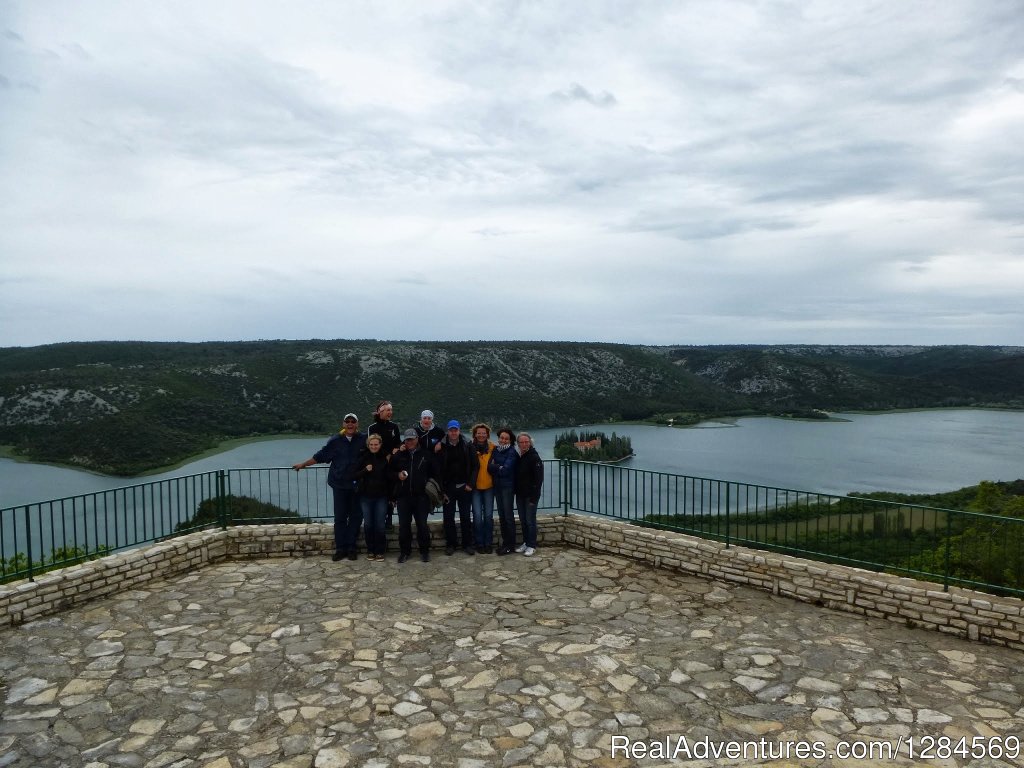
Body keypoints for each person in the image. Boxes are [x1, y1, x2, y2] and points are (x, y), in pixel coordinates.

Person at [292, 413, 366, 561]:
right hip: (339, 485)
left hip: (357, 485)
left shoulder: (364, 439)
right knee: (340, 518)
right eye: (347, 421)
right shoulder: (335, 441)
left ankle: (351, 548)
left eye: (353, 421)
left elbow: (377, 449)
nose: (350, 424)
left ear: (357, 424)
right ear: (343, 424)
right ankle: (340, 549)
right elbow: (320, 456)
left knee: (356, 518)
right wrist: (303, 464)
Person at [389, 428, 436, 563]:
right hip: (403, 497)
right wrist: (397, 475)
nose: (410, 442)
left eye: (412, 439)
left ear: (417, 439)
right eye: (407, 439)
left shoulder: (426, 455)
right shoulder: (399, 455)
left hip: (422, 496)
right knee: (404, 525)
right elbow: (389, 473)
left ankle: (425, 552)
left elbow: (434, 473)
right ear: (405, 440)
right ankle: (405, 552)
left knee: (422, 525)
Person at [437, 419, 475, 555]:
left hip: (464, 487)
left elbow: (475, 466)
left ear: (459, 431)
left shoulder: (467, 444)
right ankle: (451, 544)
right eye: (451, 430)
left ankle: (467, 544)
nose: (453, 432)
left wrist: (470, 484)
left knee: (465, 517)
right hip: (448, 488)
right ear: (448, 431)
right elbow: (438, 470)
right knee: (448, 517)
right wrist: (441, 490)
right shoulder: (441, 446)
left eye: (456, 430)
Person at [353, 433, 390, 561]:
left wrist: (391, 497)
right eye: (371, 444)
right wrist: (365, 470)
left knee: (380, 524)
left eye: (376, 444)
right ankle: (370, 550)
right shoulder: (363, 457)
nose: (374, 446)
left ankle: (380, 551)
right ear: (368, 445)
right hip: (365, 496)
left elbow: (389, 478)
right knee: (368, 524)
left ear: (380, 445)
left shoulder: (385, 458)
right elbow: (354, 475)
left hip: (381, 496)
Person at [489, 427, 519, 555]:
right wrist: (498, 467)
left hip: (507, 487)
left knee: (508, 516)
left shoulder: (512, 452)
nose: (503, 440)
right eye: (502, 438)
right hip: (497, 487)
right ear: (499, 438)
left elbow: (506, 470)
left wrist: (497, 467)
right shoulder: (495, 450)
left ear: (510, 440)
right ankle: (505, 543)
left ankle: (510, 545)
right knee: (502, 516)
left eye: (506, 438)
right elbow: (489, 467)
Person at [514, 431, 544, 556]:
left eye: (526, 442)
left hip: (531, 496)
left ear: (530, 443)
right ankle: (526, 542)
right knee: (523, 520)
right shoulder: (521, 456)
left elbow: (539, 479)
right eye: (522, 442)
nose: (524, 444)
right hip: (520, 495)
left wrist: (534, 497)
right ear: (518, 444)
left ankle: (532, 545)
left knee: (530, 520)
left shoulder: (534, 457)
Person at [470, 423, 496, 554]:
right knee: (477, 516)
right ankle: (479, 543)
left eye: (483, 433)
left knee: (488, 515)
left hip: (489, 487)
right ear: (474, 434)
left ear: (487, 434)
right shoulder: (469, 447)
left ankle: (488, 543)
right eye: (479, 433)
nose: (481, 435)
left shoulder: (493, 447)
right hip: (475, 487)